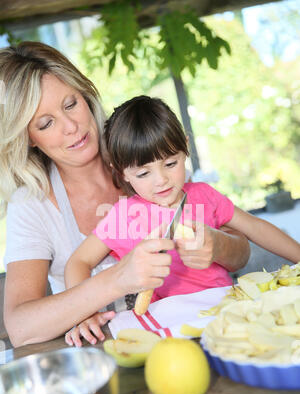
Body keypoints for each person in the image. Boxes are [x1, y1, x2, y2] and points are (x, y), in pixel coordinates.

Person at [0, 42, 251, 349]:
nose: (71, 127)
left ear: (85, 95)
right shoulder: (32, 205)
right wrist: (115, 281)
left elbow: (240, 254)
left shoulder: (142, 154)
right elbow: (20, 328)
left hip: (193, 337)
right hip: (109, 356)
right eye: (46, 123)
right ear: (28, 138)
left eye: (70, 104)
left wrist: (219, 244)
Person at [65, 95, 300, 320]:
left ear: (185, 148)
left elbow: (255, 227)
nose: (161, 180)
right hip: (167, 322)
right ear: (122, 172)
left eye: (170, 163)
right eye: (143, 173)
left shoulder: (204, 195)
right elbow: (78, 263)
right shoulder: (122, 216)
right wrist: (84, 315)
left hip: (226, 308)